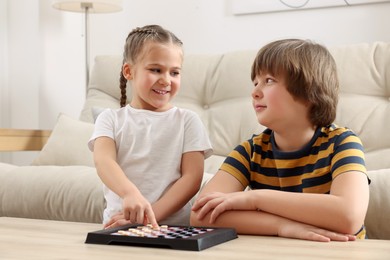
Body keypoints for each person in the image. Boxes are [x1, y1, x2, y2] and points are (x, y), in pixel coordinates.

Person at [190, 39, 370, 242]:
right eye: (255, 82)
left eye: (269, 81)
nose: (255, 92)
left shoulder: (343, 143)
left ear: (310, 91)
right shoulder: (250, 151)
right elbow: (200, 215)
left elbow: (349, 217)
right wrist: (283, 226)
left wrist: (255, 198)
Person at [88, 24, 212, 229]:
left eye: (174, 72)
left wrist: (149, 215)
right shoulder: (109, 119)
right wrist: (130, 193)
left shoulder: (188, 121)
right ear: (129, 71)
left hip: (172, 227)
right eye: (156, 70)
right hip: (120, 225)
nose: (166, 80)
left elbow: (192, 179)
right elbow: (104, 161)